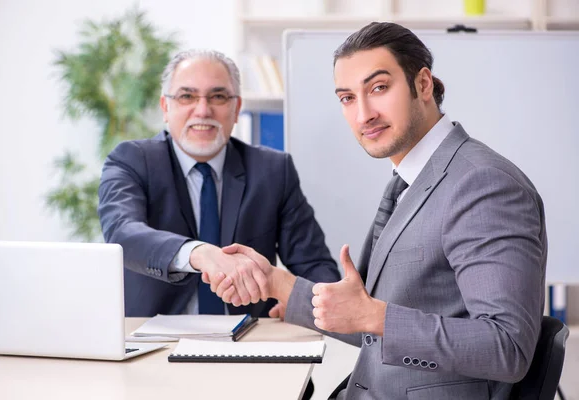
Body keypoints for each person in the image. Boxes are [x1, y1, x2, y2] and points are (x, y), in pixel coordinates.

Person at [217, 22, 547, 400]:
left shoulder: (481, 183)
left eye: (378, 88)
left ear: (423, 84)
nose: (363, 115)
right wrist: (276, 283)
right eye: (347, 98)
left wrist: (374, 316)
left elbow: (506, 349)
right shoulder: (408, 180)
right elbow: (371, 324)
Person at [98, 49, 340, 318]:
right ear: (166, 107)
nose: (203, 110)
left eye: (218, 96)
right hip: (154, 339)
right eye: (187, 96)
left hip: (250, 337)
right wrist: (199, 253)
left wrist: (305, 303)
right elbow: (122, 232)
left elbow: (316, 265)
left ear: (236, 108)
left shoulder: (272, 170)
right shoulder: (131, 160)